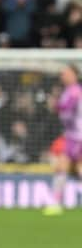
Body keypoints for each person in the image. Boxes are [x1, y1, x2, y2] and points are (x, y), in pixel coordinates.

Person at [44, 66, 82, 216]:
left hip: (79, 136)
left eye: (66, 73)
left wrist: (55, 105)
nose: (63, 75)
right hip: (71, 136)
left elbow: (67, 106)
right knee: (62, 167)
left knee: (78, 169)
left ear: (74, 74)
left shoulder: (75, 90)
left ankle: (55, 202)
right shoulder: (68, 90)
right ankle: (55, 202)